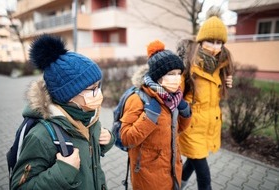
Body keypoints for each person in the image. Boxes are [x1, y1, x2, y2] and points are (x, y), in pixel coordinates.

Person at [10, 34, 115, 190]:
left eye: (99, 86)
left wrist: (108, 140)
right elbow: (19, 187)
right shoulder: (41, 136)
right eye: (92, 89)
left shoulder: (88, 115)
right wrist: (62, 172)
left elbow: (90, 151)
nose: (99, 93)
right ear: (68, 94)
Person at [120, 40, 192, 190]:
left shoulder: (174, 98)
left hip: (172, 168)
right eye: (171, 74)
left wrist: (185, 112)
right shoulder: (138, 99)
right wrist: (149, 117)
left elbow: (177, 129)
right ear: (157, 76)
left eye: (179, 74)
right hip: (148, 175)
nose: (177, 78)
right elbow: (126, 139)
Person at [177, 7, 234, 190]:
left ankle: (177, 186)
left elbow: (214, 96)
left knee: (193, 163)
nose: (215, 47)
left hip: (209, 126)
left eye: (219, 42)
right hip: (192, 127)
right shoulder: (189, 66)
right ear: (201, 41)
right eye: (210, 41)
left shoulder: (220, 66)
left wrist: (226, 83)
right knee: (205, 177)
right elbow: (176, 96)